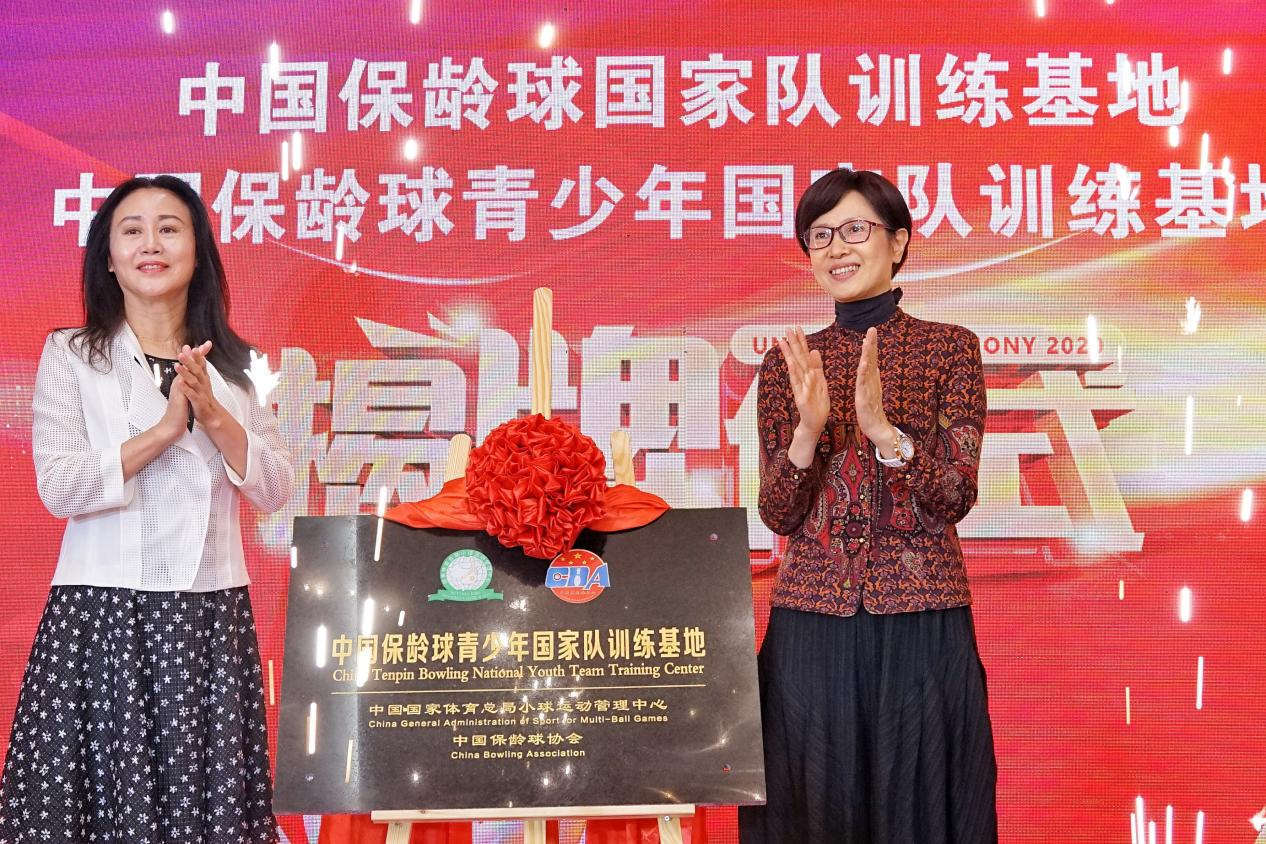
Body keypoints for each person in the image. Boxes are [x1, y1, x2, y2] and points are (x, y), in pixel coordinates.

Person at [0, 175, 294, 843]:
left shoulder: (238, 368)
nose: (150, 244)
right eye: (132, 230)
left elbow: (275, 488)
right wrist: (163, 431)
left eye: (169, 228)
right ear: (108, 257)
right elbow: (61, 486)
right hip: (101, 617)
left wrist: (214, 415)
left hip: (209, 618)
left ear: (198, 251)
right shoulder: (74, 354)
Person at [738, 168, 997, 843]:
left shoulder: (950, 348)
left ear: (898, 242)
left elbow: (954, 497)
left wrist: (885, 434)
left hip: (921, 617)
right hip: (811, 619)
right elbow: (778, 514)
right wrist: (807, 431)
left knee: (923, 798)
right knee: (811, 803)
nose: (836, 248)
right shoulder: (790, 363)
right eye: (820, 236)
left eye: (855, 230)